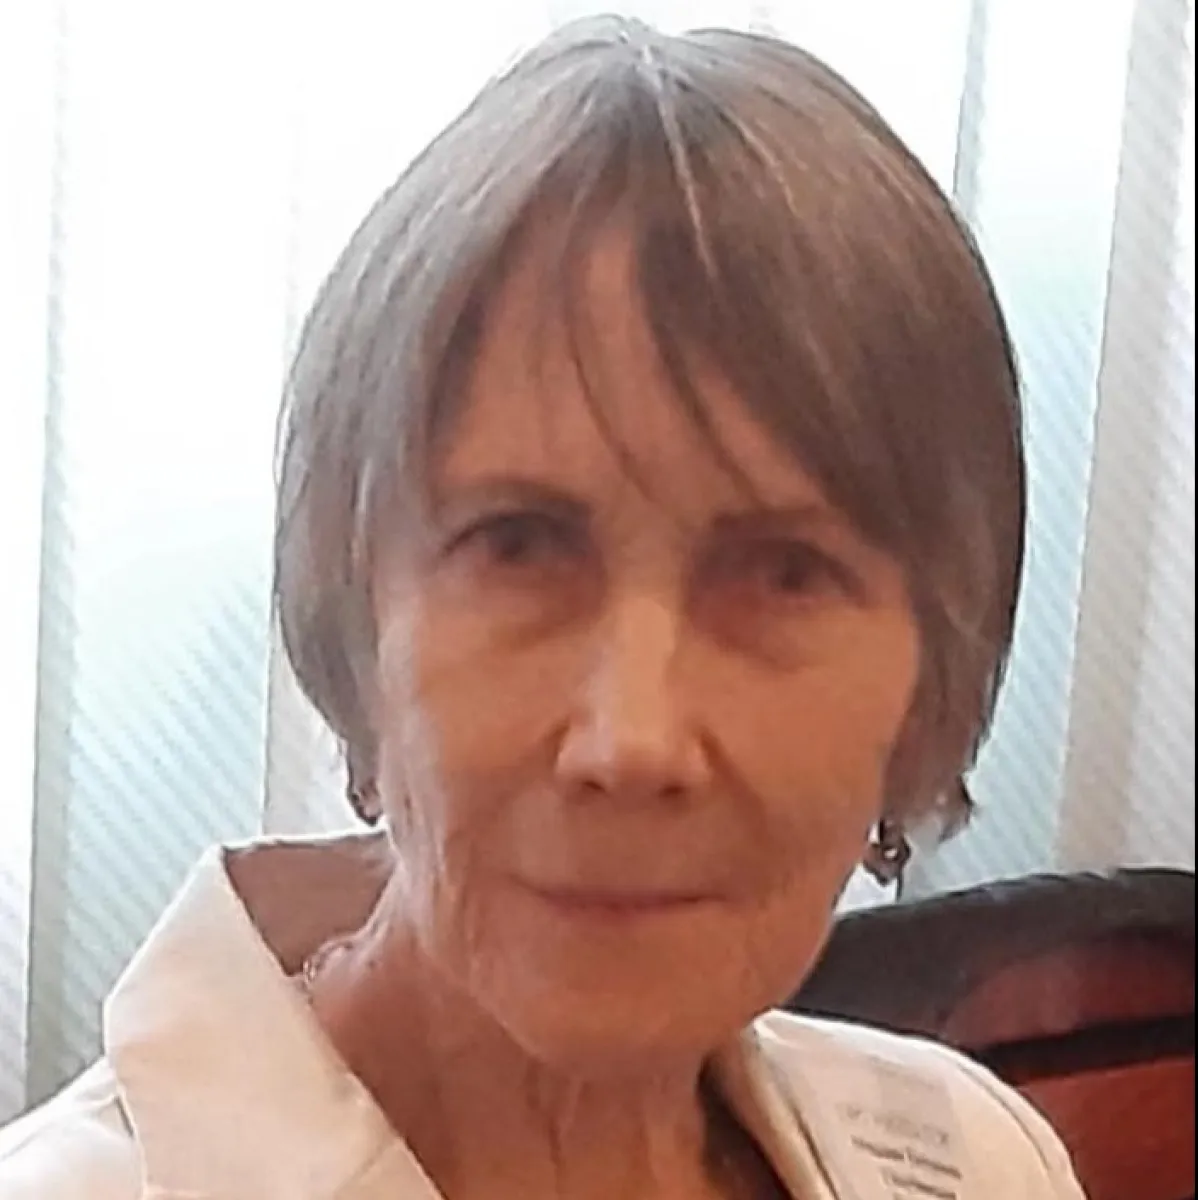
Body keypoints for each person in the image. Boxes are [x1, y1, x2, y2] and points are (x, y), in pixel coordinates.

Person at [0, 15, 1086, 1200]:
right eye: (517, 546)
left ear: (927, 690)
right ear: (356, 633)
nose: (632, 741)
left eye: (782, 573)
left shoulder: (981, 1161)